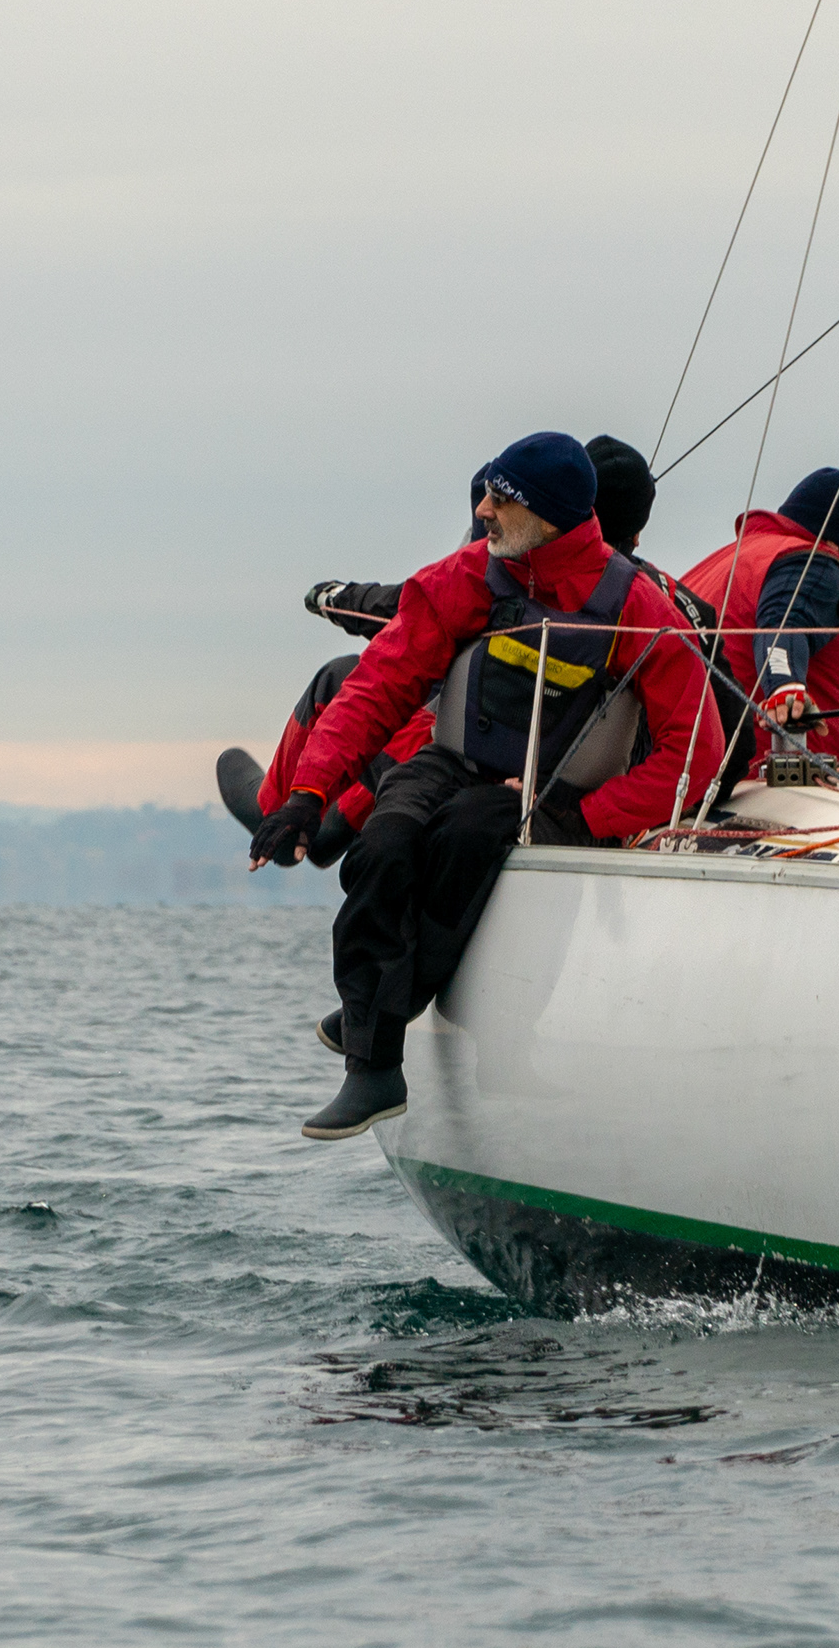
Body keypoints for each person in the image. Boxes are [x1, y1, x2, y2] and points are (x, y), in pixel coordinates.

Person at [250, 432, 710, 1141]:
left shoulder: (637, 606)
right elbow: (379, 685)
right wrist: (306, 796)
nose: (483, 510)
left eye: (500, 498)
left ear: (547, 516)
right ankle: (373, 1067)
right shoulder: (468, 575)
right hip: (451, 760)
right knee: (382, 846)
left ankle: (377, 1023)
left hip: (550, 795)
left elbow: (694, 752)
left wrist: (592, 813)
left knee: (463, 838)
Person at [217, 436, 658, 867]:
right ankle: (323, 815)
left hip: (492, 777)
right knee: (405, 716)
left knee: (358, 688)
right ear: (636, 532)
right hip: (601, 791)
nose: (486, 517)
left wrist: (332, 598)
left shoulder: (508, 572)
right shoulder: (657, 600)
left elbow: (397, 610)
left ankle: (282, 810)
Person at [675, 468, 839, 779]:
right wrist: (785, 687)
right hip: (760, 779)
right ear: (834, 546)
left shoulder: (725, 563)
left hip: (685, 774)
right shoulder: (817, 563)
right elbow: (782, 621)